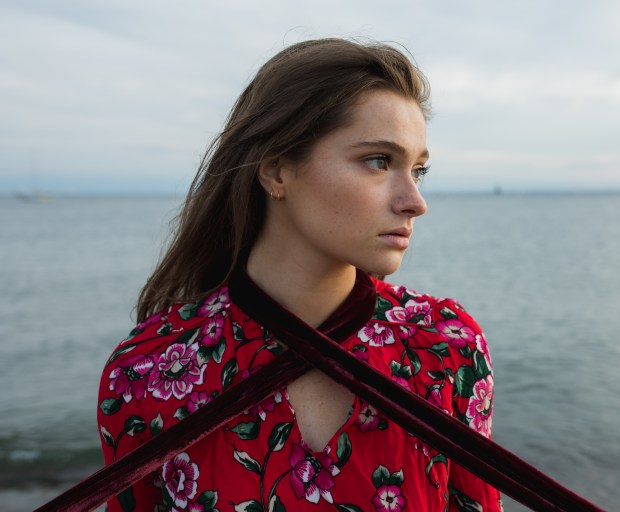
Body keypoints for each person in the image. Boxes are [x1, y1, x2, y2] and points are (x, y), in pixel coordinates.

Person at [98, 38, 501, 512]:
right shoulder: (150, 369)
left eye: (418, 169)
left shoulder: (444, 346)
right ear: (276, 170)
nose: (415, 200)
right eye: (379, 161)